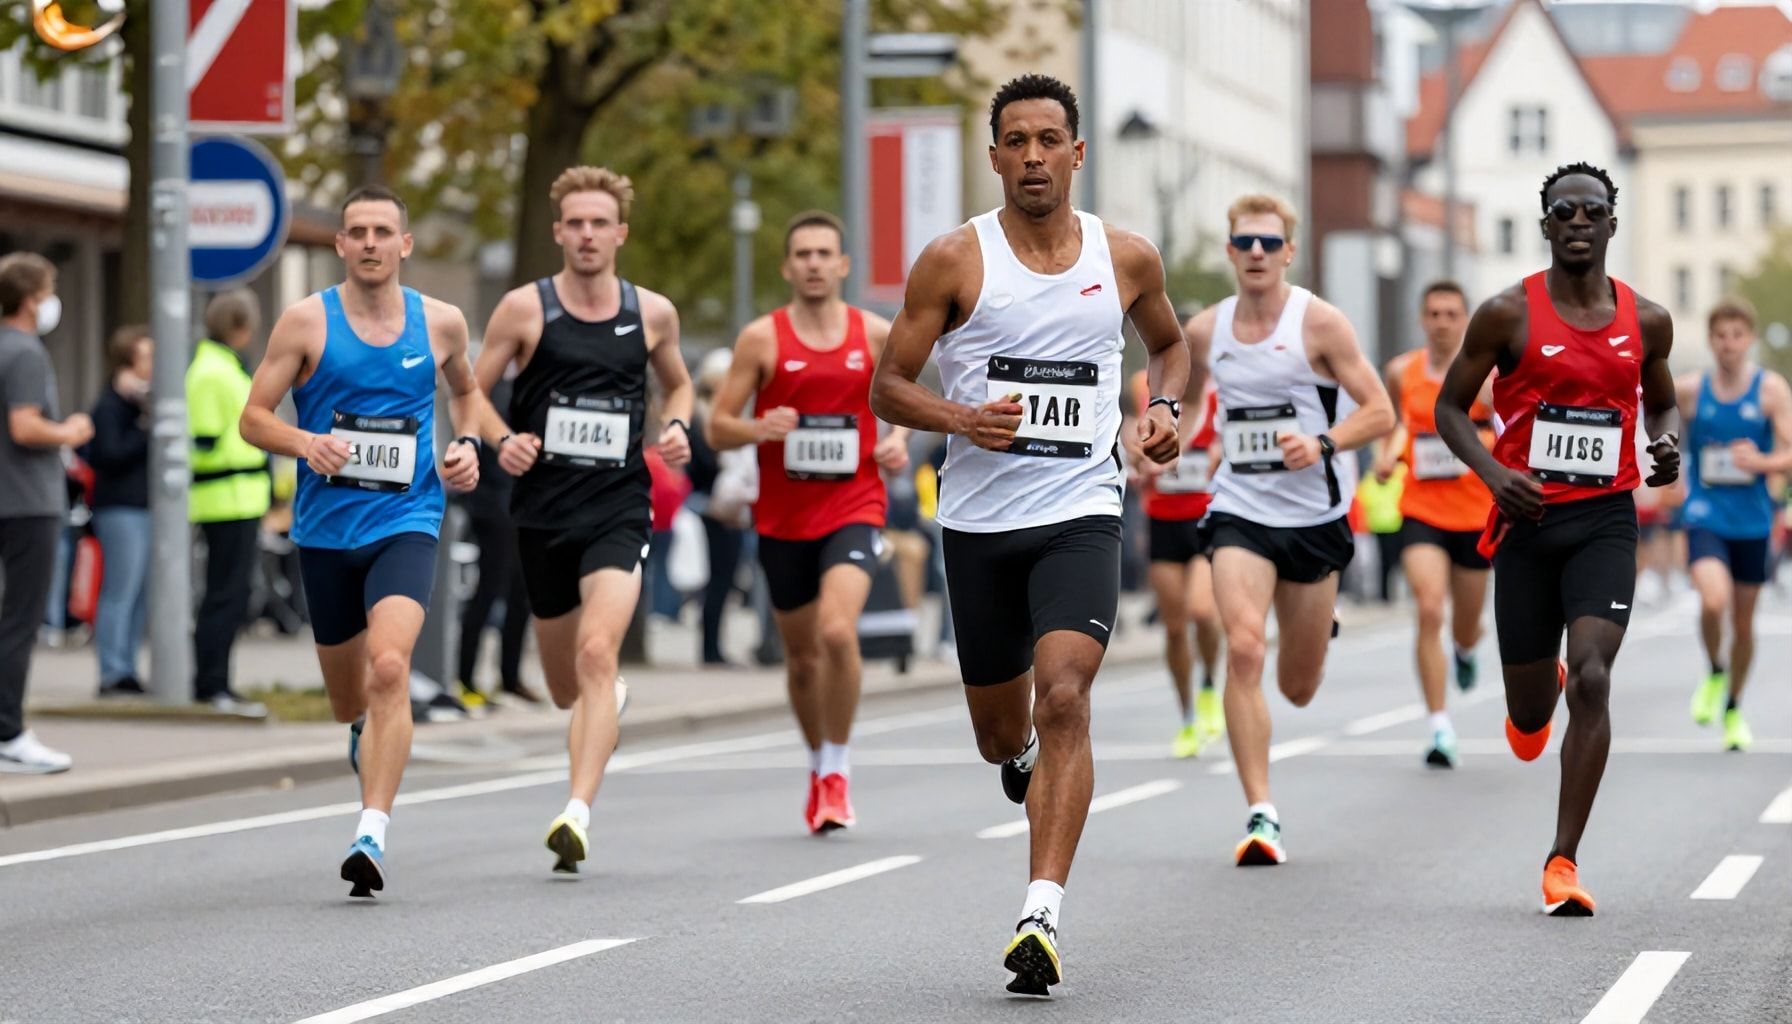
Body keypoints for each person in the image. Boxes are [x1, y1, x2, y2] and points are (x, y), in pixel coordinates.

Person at [870, 74, 1192, 996]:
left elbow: (1168, 346)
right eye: (1017, 140)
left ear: (1078, 153)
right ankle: (1015, 759)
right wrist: (958, 418)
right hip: (978, 523)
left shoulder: (1124, 256)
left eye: (1051, 139)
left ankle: (1040, 914)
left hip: (1081, 508)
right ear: (995, 156)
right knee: (1001, 731)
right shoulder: (952, 260)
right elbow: (887, 387)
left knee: (1066, 699)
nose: (1035, 156)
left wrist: (1161, 408)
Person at [1436, 162, 1679, 917]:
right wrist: (1492, 474)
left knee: (1597, 677)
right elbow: (1450, 410)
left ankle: (1562, 862)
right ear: (1546, 226)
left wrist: (1666, 448)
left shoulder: (1648, 321)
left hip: (1606, 519)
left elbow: (1663, 407)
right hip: (1527, 524)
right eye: (1563, 212)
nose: (1578, 221)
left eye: (1592, 211)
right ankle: (1536, 703)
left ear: (1611, 223)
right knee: (1532, 714)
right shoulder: (1506, 314)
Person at [240, 184, 489, 896]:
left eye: (385, 231)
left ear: (405, 244)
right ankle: (365, 735)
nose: (372, 243)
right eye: (358, 231)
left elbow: (467, 393)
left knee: (390, 668)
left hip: (406, 521)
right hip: (324, 532)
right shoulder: (304, 323)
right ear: (341, 245)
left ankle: (371, 831)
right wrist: (303, 441)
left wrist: (466, 443)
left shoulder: (440, 323)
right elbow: (253, 418)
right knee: (349, 699)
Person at [473, 165, 694, 875]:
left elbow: (678, 381)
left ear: (620, 232)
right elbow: (468, 395)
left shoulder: (651, 311)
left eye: (601, 223)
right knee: (568, 686)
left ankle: (576, 812)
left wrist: (680, 423)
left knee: (599, 655)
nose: (589, 234)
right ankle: (604, 709)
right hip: (541, 514)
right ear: (559, 232)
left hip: (617, 508)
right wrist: (502, 439)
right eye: (577, 223)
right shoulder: (524, 310)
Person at [1188, 194, 1393, 867]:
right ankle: (1261, 812)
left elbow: (1381, 411)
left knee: (1298, 685)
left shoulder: (1320, 324)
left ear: (1288, 253)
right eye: (1244, 242)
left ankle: (1315, 622)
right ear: (1229, 251)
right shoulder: (1205, 332)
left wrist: (1323, 442)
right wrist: (1164, 441)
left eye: (1268, 244)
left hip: (1313, 518)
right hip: (1240, 508)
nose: (1256, 254)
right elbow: (1187, 412)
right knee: (1243, 648)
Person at [707, 209, 910, 834]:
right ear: (787, 266)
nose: (815, 264)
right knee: (800, 661)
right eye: (804, 254)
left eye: (826, 253)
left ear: (843, 265)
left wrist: (897, 439)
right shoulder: (762, 339)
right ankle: (817, 759)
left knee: (837, 633)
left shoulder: (875, 334)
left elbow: (904, 402)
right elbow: (716, 426)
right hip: (782, 519)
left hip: (855, 505)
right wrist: (757, 428)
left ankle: (839, 770)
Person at [1371, 281, 1495, 769]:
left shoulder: (1485, 376)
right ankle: (1440, 725)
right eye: (1434, 313)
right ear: (1423, 319)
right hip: (1421, 508)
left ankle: (1465, 650)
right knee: (1427, 609)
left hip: (1475, 513)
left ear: (1465, 320)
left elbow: (1509, 428)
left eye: (1451, 314)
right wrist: (1386, 454)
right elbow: (1395, 422)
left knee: (1466, 623)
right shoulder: (1402, 371)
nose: (1442, 322)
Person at [1678, 296, 1791, 751]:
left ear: (1750, 340)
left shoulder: (1771, 390)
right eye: (1721, 336)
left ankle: (1733, 707)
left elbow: (1790, 450)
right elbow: (1656, 421)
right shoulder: (1690, 390)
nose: (1729, 345)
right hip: (1705, 513)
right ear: (1710, 340)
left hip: (1752, 521)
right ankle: (1714, 671)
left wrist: (1762, 461)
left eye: (1737, 336)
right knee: (1712, 600)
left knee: (1743, 625)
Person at [0, 252, 86, 774]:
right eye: (50, 290)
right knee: (20, 620)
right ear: (33, 300)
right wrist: (69, 432)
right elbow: (25, 426)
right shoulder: (26, 352)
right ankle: (8, 732)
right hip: (28, 502)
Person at [1127, 366, 1223, 757]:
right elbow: (1133, 446)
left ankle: (1209, 687)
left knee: (1201, 609)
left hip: (1205, 519)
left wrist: (1217, 457)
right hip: (1164, 521)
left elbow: (1235, 445)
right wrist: (1140, 462)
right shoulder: (1148, 394)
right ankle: (1186, 717)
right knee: (1173, 628)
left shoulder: (1221, 396)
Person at [190, 289, 274, 717]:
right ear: (240, 327)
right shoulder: (212, 371)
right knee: (224, 595)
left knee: (231, 593)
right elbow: (203, 440)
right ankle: (210, 683)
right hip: (225, 498)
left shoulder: (221, 367)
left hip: (238, 497)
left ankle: (217, 680)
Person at [454, 370, 539, 707]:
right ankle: (466, 679)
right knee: (488, 591)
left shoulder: (535, 385)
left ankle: (509, 676)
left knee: (522, 593)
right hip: (494, 506)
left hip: (526, 507)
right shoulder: (491, 390)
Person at [86, 326, 154, 698]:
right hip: (120, 508)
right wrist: (144, 430)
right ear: (128, 361)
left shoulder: (139, 402)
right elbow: (107, 454)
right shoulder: (111, 405)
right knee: (120, 590)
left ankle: (127, 667)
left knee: (140, 593)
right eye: (147, 357)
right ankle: (112, 671)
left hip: (142, 505)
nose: (154, 364)